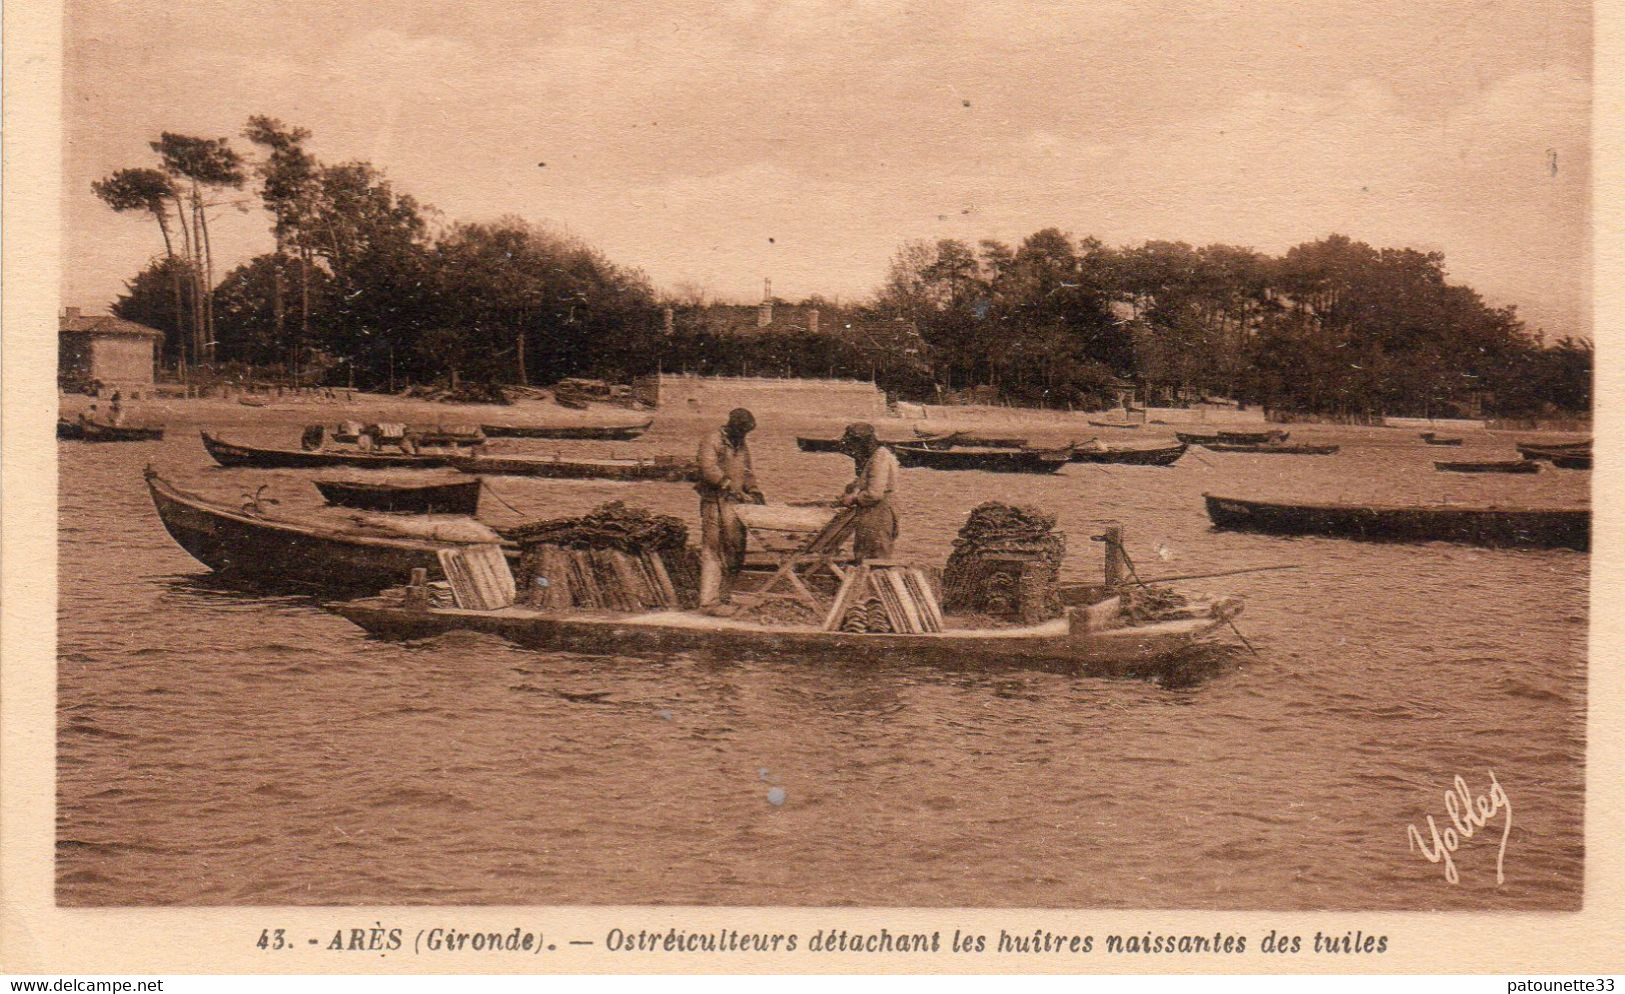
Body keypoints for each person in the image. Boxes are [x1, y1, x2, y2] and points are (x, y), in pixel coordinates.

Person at [696, 408, 765, 607]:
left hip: (736, 505)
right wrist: (730, 487)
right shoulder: (712, 440)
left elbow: (747, 471)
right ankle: (708, 600)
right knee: (713, 548)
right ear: (733, 426)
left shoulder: (741, 443)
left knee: (736, 548)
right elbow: (709, 469)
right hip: (714, 502)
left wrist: (754, 490)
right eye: (742, 431)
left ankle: (726, 595)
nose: (744, 435)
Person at [837, 422, 900, 560]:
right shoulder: (877, 455)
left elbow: (875, 493)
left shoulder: (880, 458)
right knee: (865, 553)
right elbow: (867, 481)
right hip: (873, 513)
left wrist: (853, 498)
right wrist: (853, 488)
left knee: (874, 556)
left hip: (878, 514)